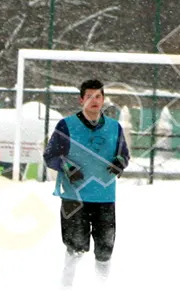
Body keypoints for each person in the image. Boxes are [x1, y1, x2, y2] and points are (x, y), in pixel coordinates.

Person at [43, 79, 130, 287]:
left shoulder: (114, 127)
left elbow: (124, 155)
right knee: (75, 246)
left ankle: (102, 288)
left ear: (103, 100)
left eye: (98, 96)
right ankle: (67, 287)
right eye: (89, 96)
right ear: (81, 99)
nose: (94, 100)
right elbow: (50, 156)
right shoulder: (66, 125)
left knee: (105, 246)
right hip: (75, 196)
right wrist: (66, 166)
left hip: (104, 196)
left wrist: (120, 163)